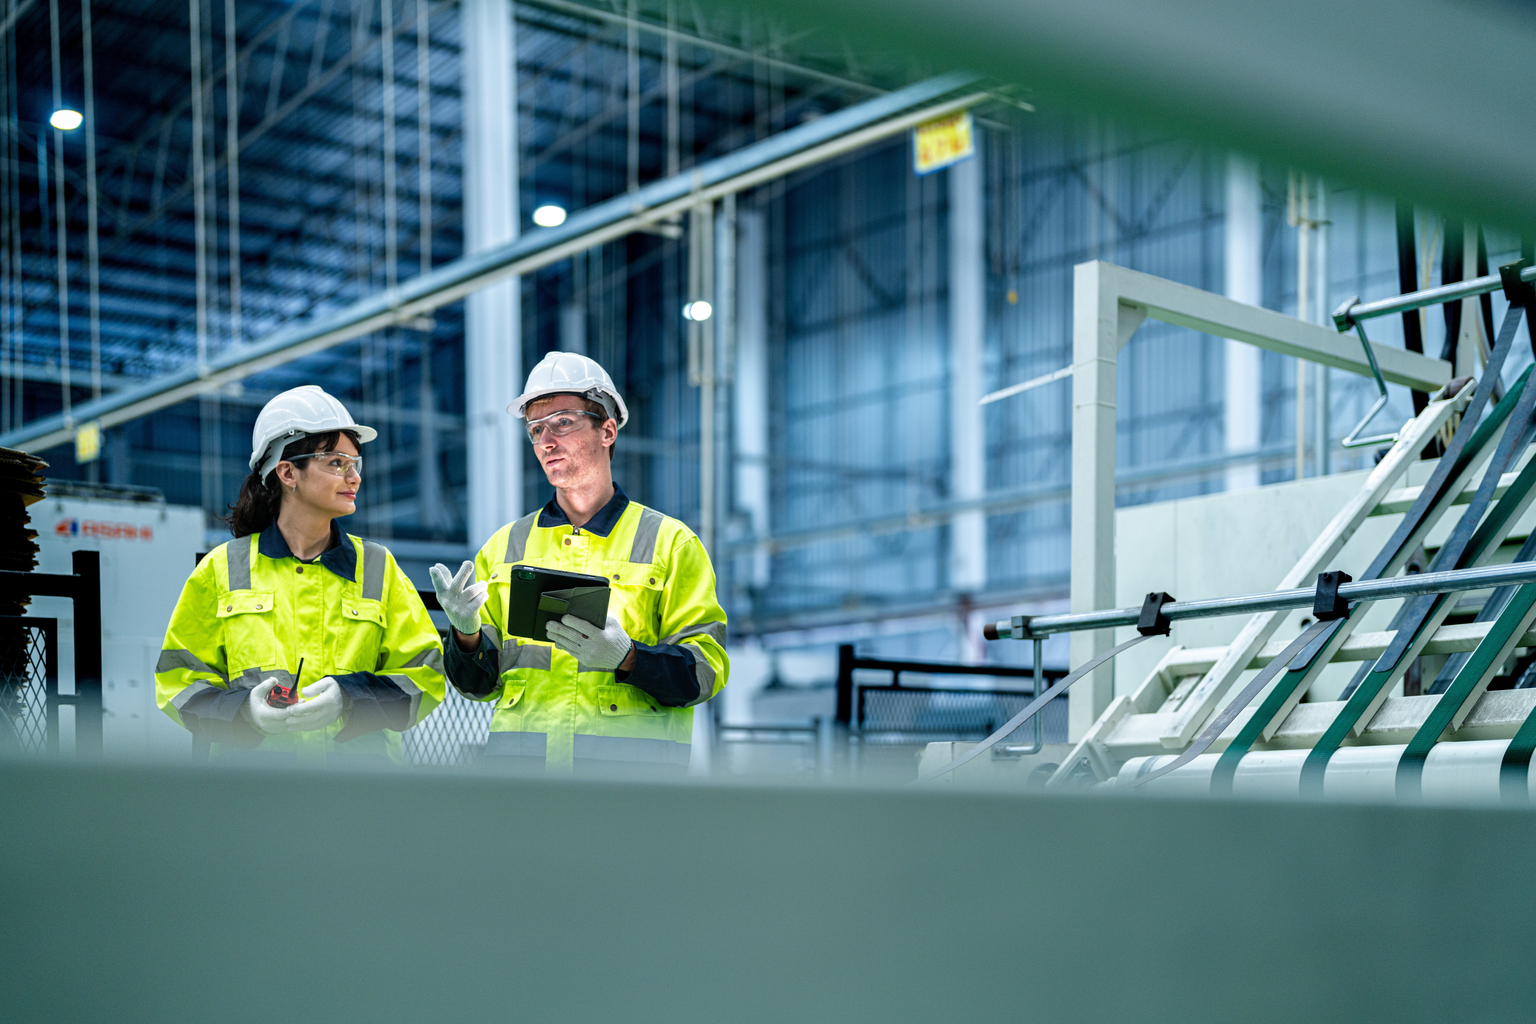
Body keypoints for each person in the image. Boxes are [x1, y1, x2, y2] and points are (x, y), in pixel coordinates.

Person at [431, 352, 728, 775]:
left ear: (608, 430)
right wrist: (464, 636)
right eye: (536, 430)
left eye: (563, 423)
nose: (546, 441)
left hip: (628, 792)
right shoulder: (504, 547)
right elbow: (477, 687)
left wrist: (629, 658)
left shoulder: (670, 543)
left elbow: (706, 673)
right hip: (522, 788)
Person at [156, 385, 446, 762]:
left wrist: (349, 698)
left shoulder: (377, 567)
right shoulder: (222, 568)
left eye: (355, 463)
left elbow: (424, 676)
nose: (354, 477)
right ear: (288, 472)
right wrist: (245, 712)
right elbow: (177, 683)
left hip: (360, 799)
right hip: (252, 798)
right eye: (337, 463)